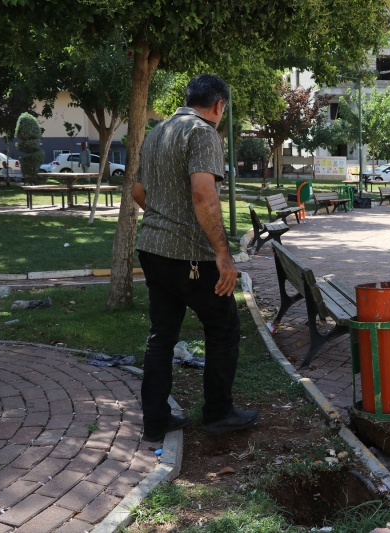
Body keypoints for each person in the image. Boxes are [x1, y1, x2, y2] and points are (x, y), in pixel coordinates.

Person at [131, 74, 258, 442]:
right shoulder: (202, 132)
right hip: (190, 256)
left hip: (152, 249)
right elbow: (204, 194)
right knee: (223, 328)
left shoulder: (158, 133)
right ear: (219, 106)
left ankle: (155, 420)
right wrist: (223, 254)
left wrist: (163, 220)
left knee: (162, 336)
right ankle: (218, 413)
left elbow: (139, 191)